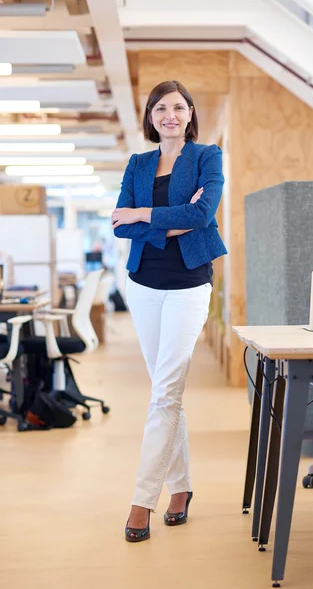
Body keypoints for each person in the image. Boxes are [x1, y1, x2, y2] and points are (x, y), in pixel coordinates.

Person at [112, 80, 227, 542]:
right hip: (142, 285)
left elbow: (201, 218)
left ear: (190, 112)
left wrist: (144, 217)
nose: (170, 115)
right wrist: (163, 218)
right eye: (161, 108)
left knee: (163, 395)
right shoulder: (138, 164)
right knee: (167, 392)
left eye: (178, 107)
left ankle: (143, 500)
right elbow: (119, 223)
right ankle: (180, 489)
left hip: (188, 287)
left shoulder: (206, 157)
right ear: (151, 116)